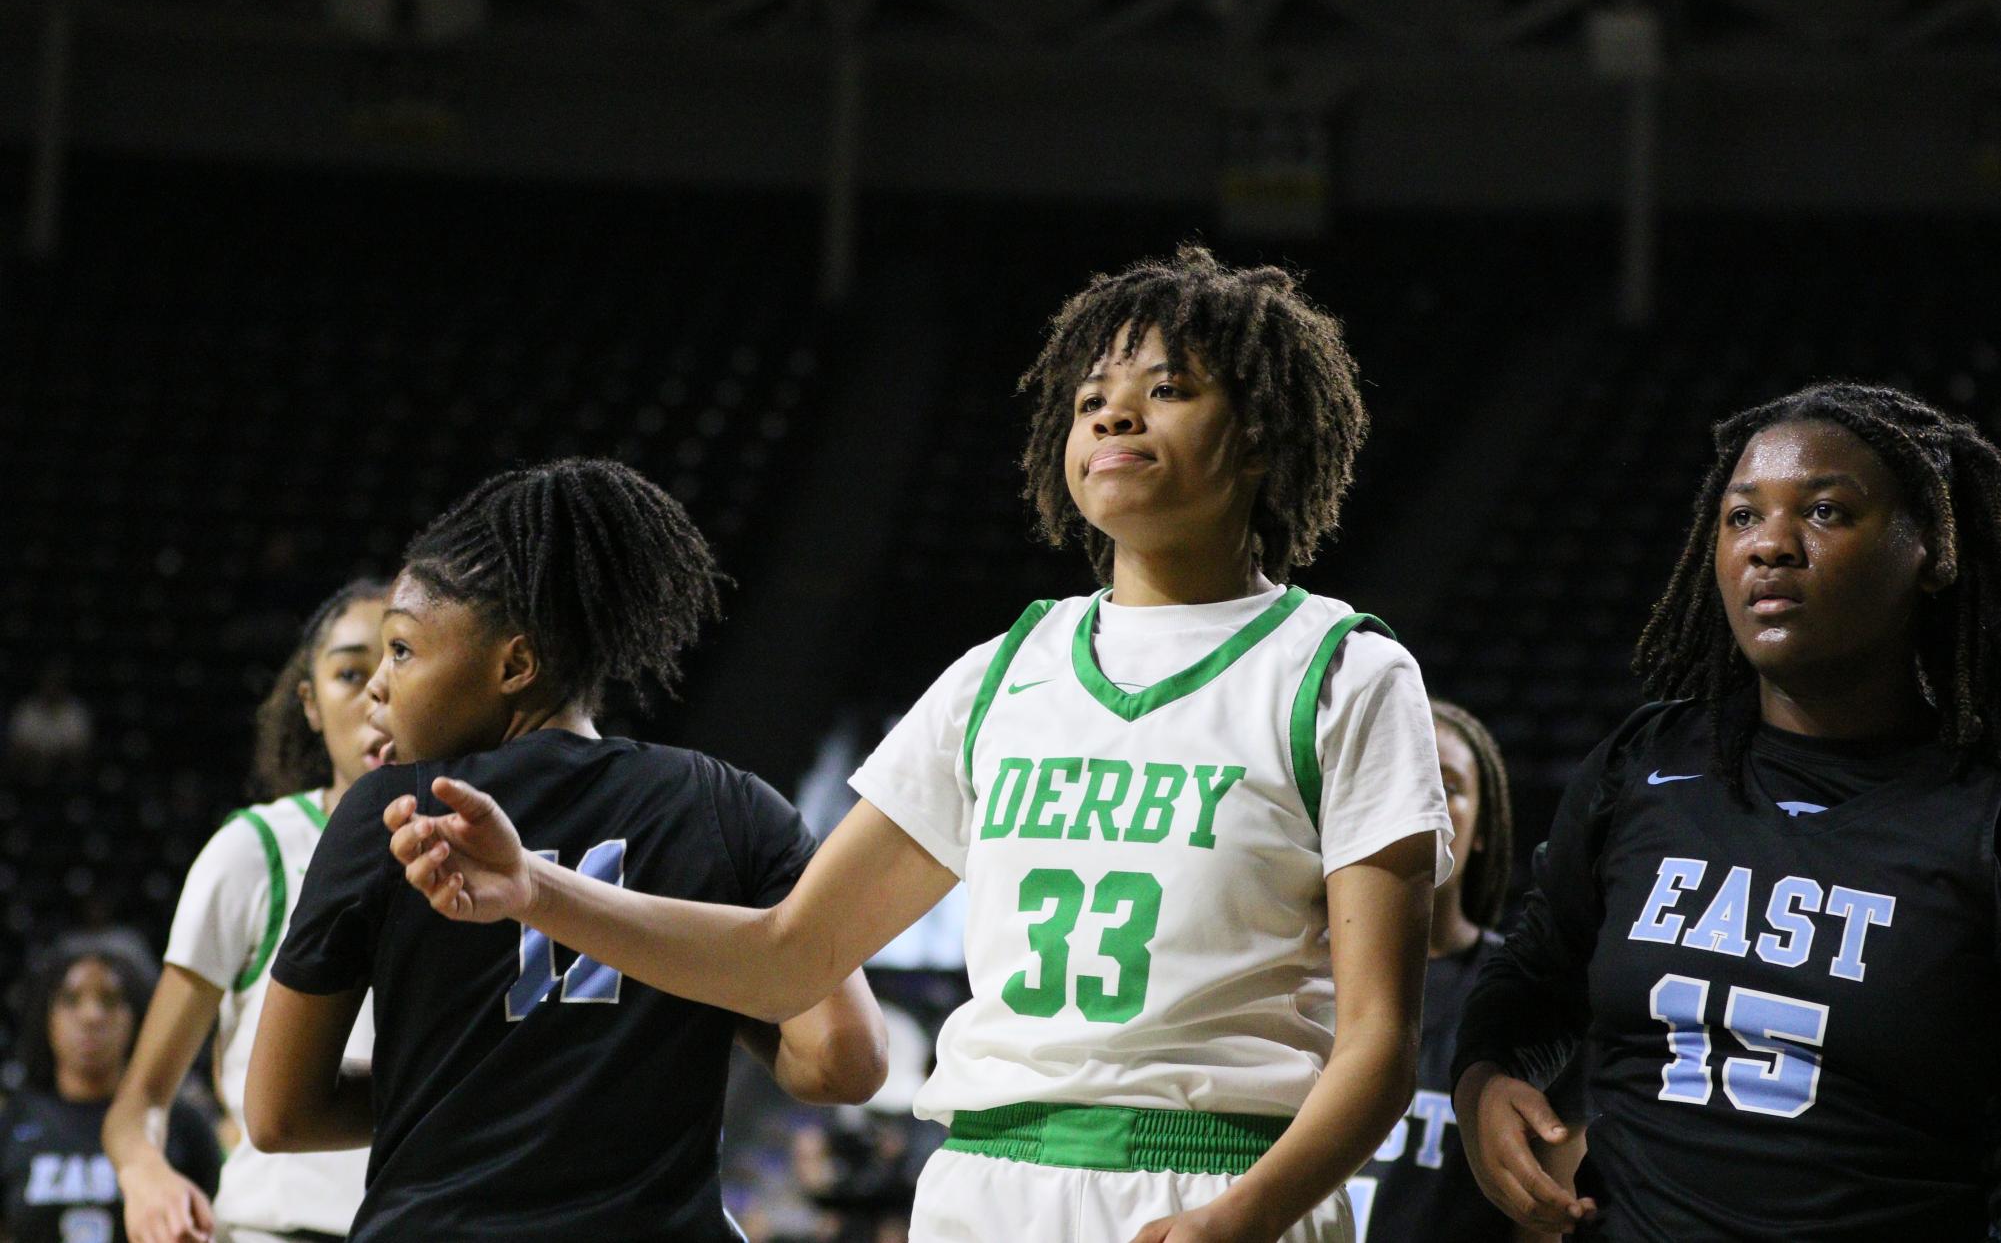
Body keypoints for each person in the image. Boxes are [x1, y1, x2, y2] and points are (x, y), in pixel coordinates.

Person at [388, 246, 1453, 1243]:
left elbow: (1378, 1043)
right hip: (982, 1182)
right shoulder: (996, 676)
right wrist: (534, 888)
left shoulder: (1344, 671)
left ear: (1261, 431)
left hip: (1219, 1176)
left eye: (1167, 390)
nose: (1115, 414)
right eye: (1090, 402)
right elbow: (789, 954)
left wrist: (1247, 1216)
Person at [245, 459, 887, 1243]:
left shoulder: (388, 811)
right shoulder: (729, 806)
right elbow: (843, 1062)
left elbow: (280, 1113)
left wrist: (464, 1087)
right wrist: (687, 1021)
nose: (380, 685)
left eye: (404, 651)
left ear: (515, 665)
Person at [1452, 382, 2001, 1240]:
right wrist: (1485, 1079)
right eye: (1741, 517)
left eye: (1823, 512)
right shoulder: (1645, 764)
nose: (1771, 546)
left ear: (1931, 548)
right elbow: (1532, 976)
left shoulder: (1976, 813)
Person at [104, 580, 388, 1243]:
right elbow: (138, 1104)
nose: (380, 696)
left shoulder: (498, 856)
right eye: (350, 672)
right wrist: (147, 1174)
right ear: (310, 706)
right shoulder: (254, 849)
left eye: (401, 661)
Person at [1346, 697, 1530, 1243]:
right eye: (1397, 777)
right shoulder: (1283, 972)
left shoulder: (1526, 991)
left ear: (1481, 828)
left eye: (1447, 785)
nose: (1419, 802)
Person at [3, 933, 222, 1243]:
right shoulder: (12, 1121)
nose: (91, 1016)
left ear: (138, 1018)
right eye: (70, 999)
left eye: (109, 1000)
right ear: (47, 1016)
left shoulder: (184, 1125)